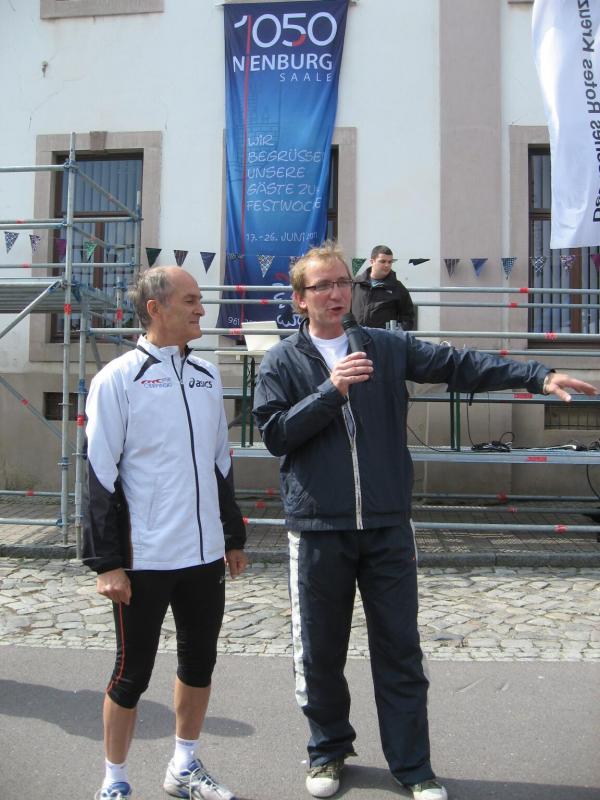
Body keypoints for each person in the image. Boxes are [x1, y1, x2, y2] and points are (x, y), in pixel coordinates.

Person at [252, 241, 597, 800]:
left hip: (387, 525)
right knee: (319, 653)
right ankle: (328, 751)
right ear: (300, 299)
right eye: (324, 286)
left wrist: (538, 375)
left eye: (344, 283)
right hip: (318, 529)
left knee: (400, 651)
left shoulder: (385, 346)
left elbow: (461, 364)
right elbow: (275, 435)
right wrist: (331, 390)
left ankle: (413, 767)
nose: (338, 293)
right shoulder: (281, 362)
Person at [83, 266, 248, 800]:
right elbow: (100, 475)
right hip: (144, 558)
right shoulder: (117, 379)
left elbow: (220, 464)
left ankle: (184, 767)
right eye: (191, 299)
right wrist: (107, 562)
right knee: (131, 674)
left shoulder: (206, 376)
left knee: (199, 664)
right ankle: (114, 779)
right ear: (155, 309)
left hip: (202, 555)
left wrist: (232, 536)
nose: (201, 309)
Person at [352, 244, 415, 330]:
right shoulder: (356, 284)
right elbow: (345, 311)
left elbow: (408, 317)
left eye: (390, 262)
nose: (387, 265)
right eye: (383, 261)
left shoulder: (398, 288)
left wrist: (397, 334)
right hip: (356, 336)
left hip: (383, 337)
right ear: (372, 262)